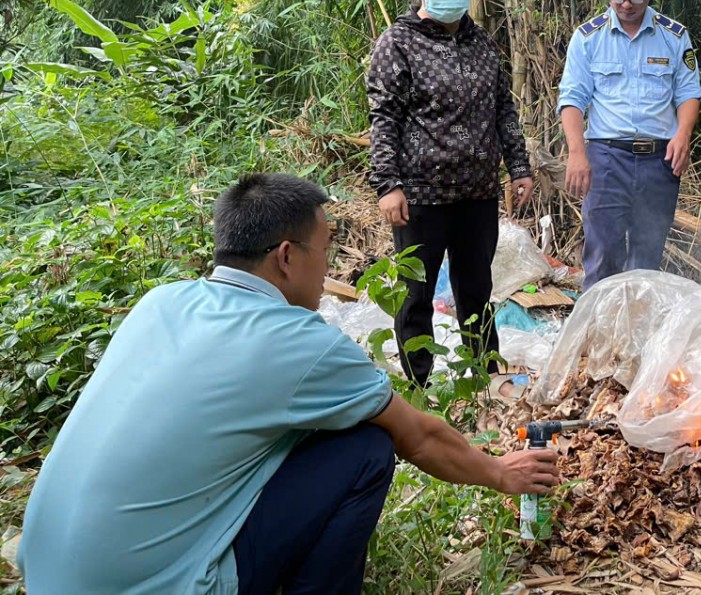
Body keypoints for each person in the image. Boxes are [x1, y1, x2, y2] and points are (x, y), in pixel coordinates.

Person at [18, 174, 558, 595]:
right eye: (324, 249)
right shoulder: (299, 342)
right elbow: (416, 436)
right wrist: (499, 473)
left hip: (45, 573)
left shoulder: (160, 302)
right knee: (367, 446)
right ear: (285, 256)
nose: (327, 268)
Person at [367, 0, 533, 388]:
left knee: (477, 292)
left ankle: (483, 379)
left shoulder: (482, 44)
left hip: (477, 194)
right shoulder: (397, 43)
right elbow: (384, 117)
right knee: (415, 295)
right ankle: (420, 389)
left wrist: (519, 167)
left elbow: (503, 111)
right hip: (420, 194)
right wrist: (387, 185)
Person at [557, 0, 701, 288]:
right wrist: (577, 152)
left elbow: (688, 93)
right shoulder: (587, 39)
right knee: (602, 254)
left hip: (659, 163)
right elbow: (573, 98)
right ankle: (597, 334)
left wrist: (682, 134)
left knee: (647, 258)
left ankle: (640, 334)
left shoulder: (674, 36)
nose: (626, 5)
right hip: (607, 160)